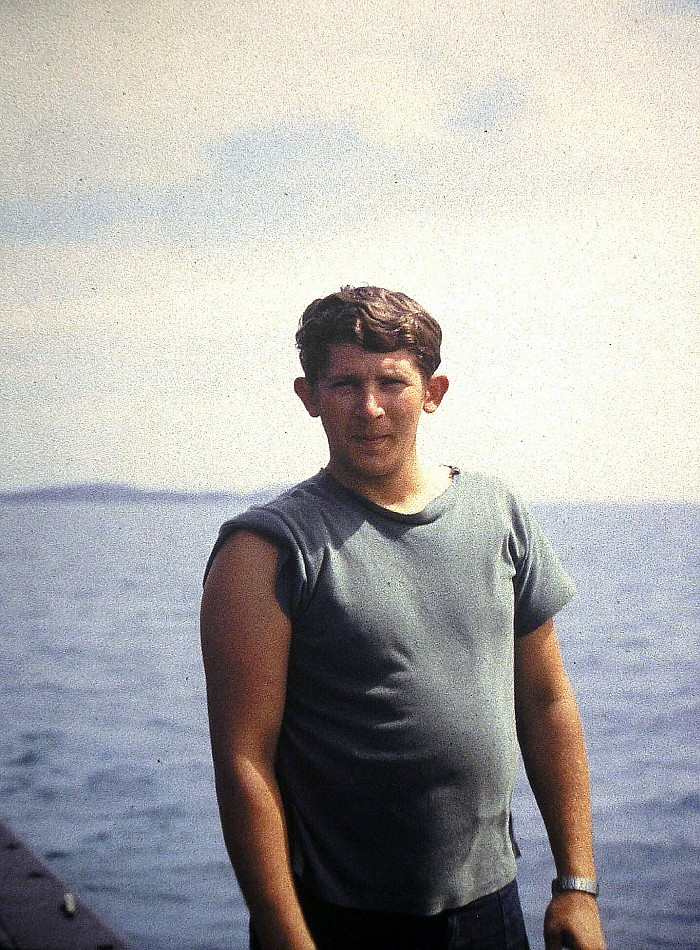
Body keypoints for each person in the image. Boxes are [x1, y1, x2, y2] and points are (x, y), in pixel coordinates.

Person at [200, 286, 606, 950]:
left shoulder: (498, 512)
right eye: (344, 385)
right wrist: (282, 932)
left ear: (433, 391)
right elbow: (244, 758)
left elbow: (546, 698)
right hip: (340, 919)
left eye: (392, 382)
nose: (369, 408)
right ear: (308, 396)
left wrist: (576, 886)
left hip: (490, 908)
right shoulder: (267, 548)